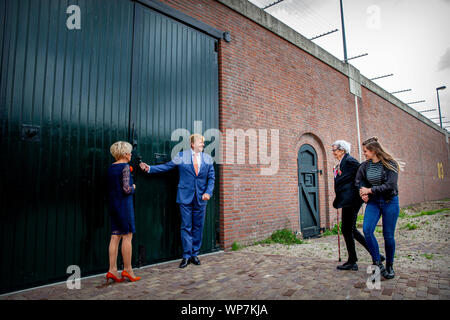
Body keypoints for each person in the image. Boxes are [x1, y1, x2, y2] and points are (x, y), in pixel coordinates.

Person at [140, 134, 215, 268]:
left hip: (201, 198)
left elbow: (211, 178)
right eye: (200, 142)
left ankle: (194, 254)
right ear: (192, 144)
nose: (203, 145)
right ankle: (186, 256)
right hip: (185, 197)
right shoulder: (182, 156)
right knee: (186, 226)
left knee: (199, 226)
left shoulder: (208, 158)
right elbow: (167, 167)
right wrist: (149, 168)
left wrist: (208, 192)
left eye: (203, 143)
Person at [331, 140, 382, 271]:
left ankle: (353, 261)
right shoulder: (342, 162)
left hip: (352, 200)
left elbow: (361, 173)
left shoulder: (349, 161)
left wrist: (363, 190)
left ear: (342, 150)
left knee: (347, 229)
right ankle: (373, 255)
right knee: (350, 229)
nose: (333, 151)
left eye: (335, 149)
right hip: (347, 200)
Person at [355, 136, 400, 279]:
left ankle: (390, 265)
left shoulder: (390, 164)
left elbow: (390, 185)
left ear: (374, 150)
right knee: (367, 230)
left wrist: (371, 190)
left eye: (366, 151)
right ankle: (377, 262)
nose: (364, 154)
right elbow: (359, 181)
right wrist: (363, 193)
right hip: (373, 202)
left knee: (388, 236)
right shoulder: (365, 166)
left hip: (389, 201)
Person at [106, 141, 141, 283]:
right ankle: (128, 270)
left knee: (115, 237)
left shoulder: (111, 168)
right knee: (127, 236)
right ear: (125, 154)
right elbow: (126, 189)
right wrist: (133, 186)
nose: (131, 154)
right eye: (130, 152)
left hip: (113, 205)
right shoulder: (125, 167)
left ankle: (112, 270)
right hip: (124, 206)